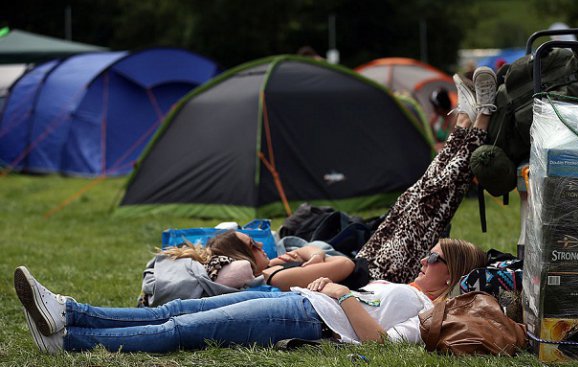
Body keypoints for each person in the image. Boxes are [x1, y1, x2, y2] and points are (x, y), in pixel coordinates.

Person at [14, 66, 499, 354]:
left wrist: (338, 290)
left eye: (434, 259)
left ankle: (67, 339)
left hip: (306, 317)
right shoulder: (403, 284)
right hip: (307, 300)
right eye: (431, 255)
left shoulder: (426, 310)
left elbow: (378, 345)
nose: (425, 260)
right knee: (184, 308)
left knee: (184, 328)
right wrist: (322, 269)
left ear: (450, 274)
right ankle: (67, 313)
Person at [159, 231, 355, 291]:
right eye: (253, 245)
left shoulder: (271, 267)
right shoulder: (276, 278)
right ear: (241, 256)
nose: (261, 245)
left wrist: (315, 255)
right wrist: (319, 257)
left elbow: (307, 249)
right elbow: (346, 265)